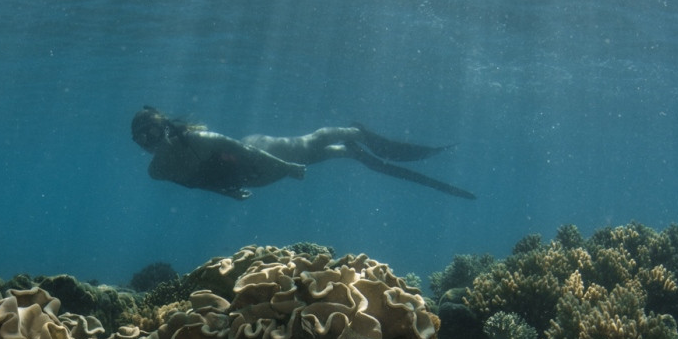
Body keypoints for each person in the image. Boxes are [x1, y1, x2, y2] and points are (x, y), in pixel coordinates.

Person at [130, 106, 476, 200]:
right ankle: (349, 151)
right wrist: (229, 194)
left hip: (261, 155)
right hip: (250, 176)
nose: (152, 140)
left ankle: (354, 133)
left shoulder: (200, 139)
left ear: (165, 127)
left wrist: (285, 165)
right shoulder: (156, 171)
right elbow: (194, 184)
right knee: (317, 154)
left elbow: (243, 149)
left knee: (310, 144)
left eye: (155, 131)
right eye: (144, 138)